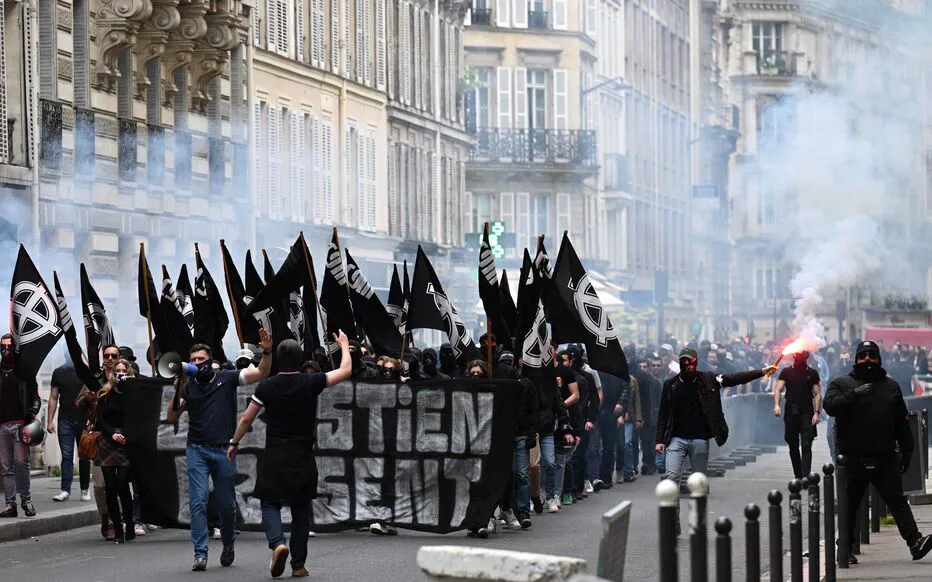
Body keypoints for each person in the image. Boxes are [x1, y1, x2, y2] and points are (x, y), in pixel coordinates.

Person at [228, 332, 351, 578]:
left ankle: (277, 543)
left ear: (279, 360)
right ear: (299, 359)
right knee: (301, 509)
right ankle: (298, 565)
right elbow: (345, 371)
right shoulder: (311, 382)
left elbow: (247, 417)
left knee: (270, 503)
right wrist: (344, 347)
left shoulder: (267, 386)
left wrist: (234, 441)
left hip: (275, 452)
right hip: (303, 454)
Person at [167, 328, 273, 572]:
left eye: (200, 360)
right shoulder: (188, 385)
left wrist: (266, 351)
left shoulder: (226, 377)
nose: (196, 364)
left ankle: (228, 544)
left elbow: (262, 372)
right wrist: (178, 387)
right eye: (192, 360)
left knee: (226, 505)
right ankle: (200, 554)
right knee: (197, 502)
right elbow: (172, 417)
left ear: (210, 361)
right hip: (196, 449)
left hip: (223, 450)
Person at [824, 340, 932, 564]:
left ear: (879, 358)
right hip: (853, 457)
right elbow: (830, 406)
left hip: (884, 456)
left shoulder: (890, 387)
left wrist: (908, 450)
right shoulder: (842, 383)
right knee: (850, 505)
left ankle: (915, 542)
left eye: (872, 355)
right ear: (856, 359)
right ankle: (844, 549)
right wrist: (854, 395)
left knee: (897, 501)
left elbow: (901, 422)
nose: (867, 359)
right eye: (863, 355)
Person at [655, 348, 775, 532]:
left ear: (696, 361)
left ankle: (698, 523)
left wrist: (761, 372)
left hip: (699, 439)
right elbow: (663, 413)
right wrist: (660, 440)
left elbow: (734, 378)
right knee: (671, 481)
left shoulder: (709, 379)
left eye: (691, 361)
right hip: (676, 439)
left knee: (698, 484)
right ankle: (673, 522)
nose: (688, 365)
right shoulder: (670, 384)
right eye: (684, 361)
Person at [95, 359, 136, 543]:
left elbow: (138, 416)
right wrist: (112, 434)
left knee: (122, 484)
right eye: (117, 370)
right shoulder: (104, 394)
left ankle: (130, 524)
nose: (120, 373)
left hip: (127, 440)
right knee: (110, 487)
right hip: (108, 440)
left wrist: (129, 388)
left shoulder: (133, 392)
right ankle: (117, 528)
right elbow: (101, 420)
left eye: (123, 370)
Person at [0, 333, 39, 518]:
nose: (6, 350)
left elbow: (36, 397)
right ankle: (10, 505)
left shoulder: (24, 371)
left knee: (21, 463)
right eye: (3, 347)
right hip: (2, 426)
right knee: (6, 467)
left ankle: (26, 501)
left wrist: (32, 411)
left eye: (9, 347)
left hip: (20, 424)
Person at [48, 356, 92, 503]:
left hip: (84, 420)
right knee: (66, 456)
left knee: (84, 455)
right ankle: (65, 490)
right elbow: (53, 397)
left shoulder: (86, 371)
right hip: (65, 419)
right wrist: (49, 421)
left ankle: (85, 489)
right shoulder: (58, 372)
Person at [773, 351, 821, 479]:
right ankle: (798, 475)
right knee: (793, 445)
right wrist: (777, 405)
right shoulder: (786, 372)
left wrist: (817, 412)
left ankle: (805, 476)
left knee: (806, 444)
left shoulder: (812, 373)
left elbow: (817, 393)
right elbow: (778, 388)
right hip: (791, 411)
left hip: (807, 411)